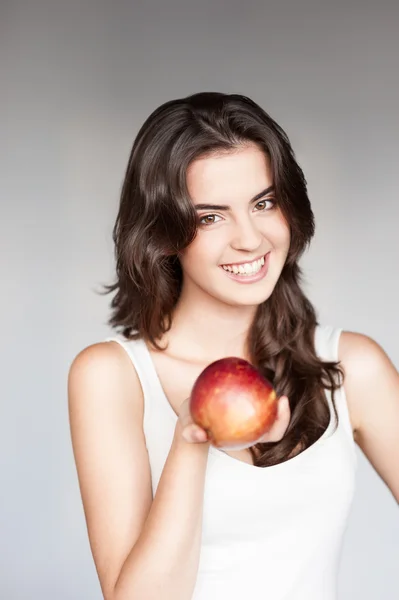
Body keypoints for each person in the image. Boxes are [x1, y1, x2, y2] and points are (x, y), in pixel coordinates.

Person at [67, 92, 399, 600]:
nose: (250, 239)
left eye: (264, 203)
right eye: (210, 217)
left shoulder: (352, 364)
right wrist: (191, 438)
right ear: (164, 233)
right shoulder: (112, 376)